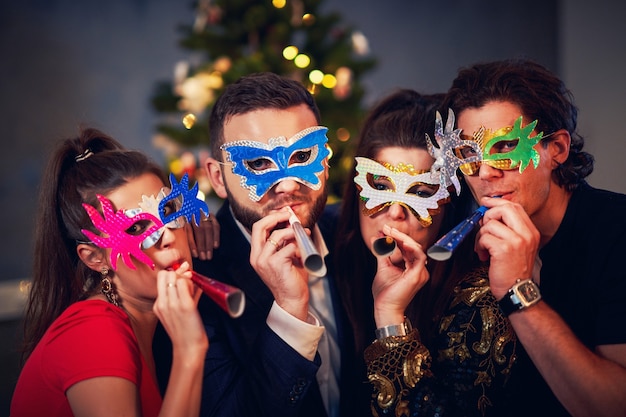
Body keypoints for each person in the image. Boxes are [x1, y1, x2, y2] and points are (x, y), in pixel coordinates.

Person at [153, 72, 368, 417]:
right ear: (219, 178)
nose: (285, 184)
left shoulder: (356, 236)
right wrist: (288, 310)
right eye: (257, 163)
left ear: (326, 160)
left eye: (302, 156)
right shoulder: (195, 280)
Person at [440, 58, 626, 416]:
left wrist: (518, 293)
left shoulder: (617, 235)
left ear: (556, 148)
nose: (485, 173)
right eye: (467, 153)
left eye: (506, 147)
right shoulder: (463, 244)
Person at [335, 89, 518, 416]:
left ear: (449, 205)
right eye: (380, 186)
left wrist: (390, 319)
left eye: (420, 192)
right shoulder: (336, 254)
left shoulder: (479, 302)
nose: (394, 213)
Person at [11, 128, 208, 417]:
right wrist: (190, 352)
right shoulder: (93, 333)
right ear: (94, 258)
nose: (167, 237)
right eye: (136, 228)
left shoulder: (155, 328)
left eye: (169, 211)